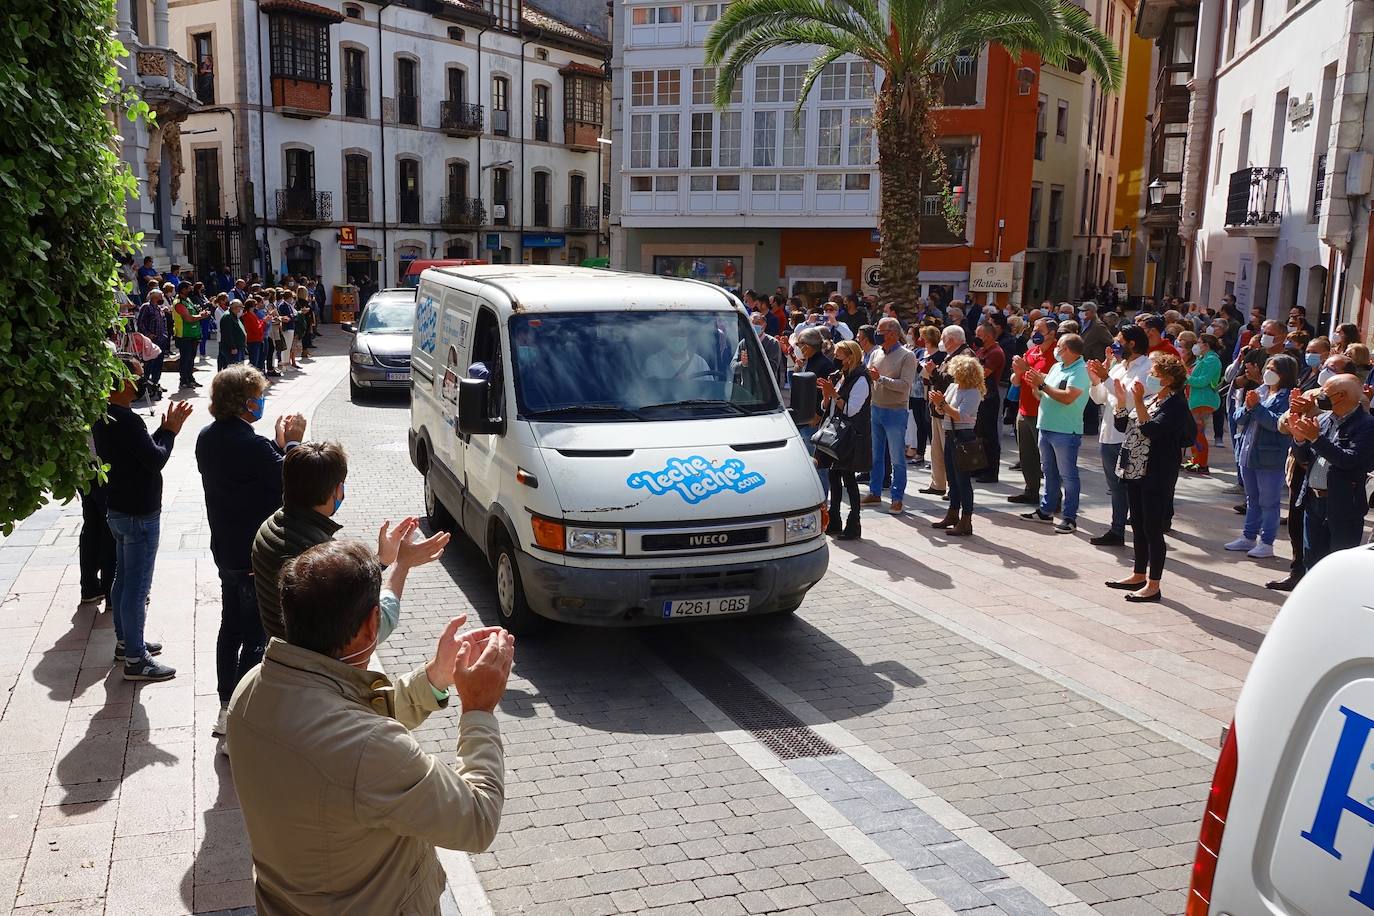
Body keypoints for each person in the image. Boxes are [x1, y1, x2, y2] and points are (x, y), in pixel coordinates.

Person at [228, 540, 512, 915]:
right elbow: (477, 819)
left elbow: (348, 719)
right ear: (371, 625)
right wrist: (478, 709)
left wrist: (434, 678)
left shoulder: (251, 689)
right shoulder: (370, 747)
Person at [196, 365, 308, 737]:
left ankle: (226, 706)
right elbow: (292, 480)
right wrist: (292, 443)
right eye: (258, 396)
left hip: (225, 549)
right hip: (253, 556)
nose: (262, 401)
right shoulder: (252, 446)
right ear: (246, 403)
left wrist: (275, 445)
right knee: (255, 636)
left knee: (230, 627)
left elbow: (255, 472)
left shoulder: (207, 438)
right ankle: (240, 719)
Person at [92, 355, 193, 681]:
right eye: (137, 376)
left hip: (119, 509)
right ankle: (136, 658)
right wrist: (170, 432)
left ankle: (126, 642)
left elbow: (138, 452)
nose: (142, 380)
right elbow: (154, 459)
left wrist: (162, 429)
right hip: (138, 514)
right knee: (136, 587)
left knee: (123, 580)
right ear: (121, 383)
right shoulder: (127, 420)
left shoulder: (107, 415)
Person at [1106, 353, 1193, 602]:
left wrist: (1138, 402)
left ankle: (1154, 584)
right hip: (1135, 469)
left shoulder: (1176, 404)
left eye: (1155, 373)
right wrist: (1122, 401)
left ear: (1168, 379)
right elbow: (1125, 425)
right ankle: (1138, 574)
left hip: (1156, 472)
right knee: (1138, 525)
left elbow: (1150, 429)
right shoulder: (1153, 397)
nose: (1150, 376)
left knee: (1153, 528)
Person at [1284, 373, 1374, 573]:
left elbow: (1349, 460)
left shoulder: (1367, 425)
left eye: (1326, 391)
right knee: (1312, 561)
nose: (1320, 395)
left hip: (1343, 505)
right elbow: (1305, 458)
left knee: (1337, 565)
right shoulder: (1323, 419)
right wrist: (1299, 439)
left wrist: (1316, 439)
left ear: (1341, 396)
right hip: (1313, 501)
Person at [1225, 354, 1297, 560]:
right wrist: (1249, 407)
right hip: (1248, 454)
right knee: (1252, 499)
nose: (1268, 372)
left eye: (1274, 369)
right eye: (1268, 367)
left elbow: (1278, 424)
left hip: (1270, 457)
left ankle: (1266, 542)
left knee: (1269, 502)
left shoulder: (1288, 397)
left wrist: (1256, 407)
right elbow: (1238, 417)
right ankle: (1248, 537)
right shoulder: (1259, 391)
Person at [1086, 325, 1152, 546]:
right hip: (1109, 432)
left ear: (1132, 343)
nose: (1115, 345)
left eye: (1119, 340)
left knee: (1132, 486)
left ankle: (1140, 530)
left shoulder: (1146, 367)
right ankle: (1117, 530)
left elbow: (1131, 399)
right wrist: (1096, 380)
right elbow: (1099, 398)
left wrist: (1105, 378)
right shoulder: (1119, 367)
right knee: (1114, 486)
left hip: (1129, 436)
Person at [1020, 334, 1090, 534]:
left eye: (1059, 346)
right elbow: (1043, 395)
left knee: (1068, 476)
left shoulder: (1080, 371)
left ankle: (1069, 518)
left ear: (1068, 349)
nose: (1055, 350)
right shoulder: (1056, 367)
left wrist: (1042, 385)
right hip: (1047, 426)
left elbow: (1068, 398)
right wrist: (1035, 385)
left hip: (1066, 430)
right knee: (1049, 472)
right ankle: (1046, 510)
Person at [861, 317, 917, 514]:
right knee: (875, 456)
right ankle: (875, 492)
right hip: (875, 407)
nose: (877, 333)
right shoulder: (876, 352)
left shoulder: (907, 356)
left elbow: (905, 386)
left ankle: (897, 498)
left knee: (897, 459)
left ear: (892, 333)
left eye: (880, 330)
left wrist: (880, 379)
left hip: (895, 411)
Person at [817, 340, 871, 540]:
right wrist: (826, 396)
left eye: (839, 356)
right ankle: (835, 519)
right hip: (835, 434)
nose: (835, 360)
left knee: (848, 479)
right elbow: (827, 407)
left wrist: (834, 394)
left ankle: (854, 521)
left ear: (850, 357)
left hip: (851, 436)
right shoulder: (841, 376)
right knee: (833, 477)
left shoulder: (861, 379)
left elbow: (851, 410)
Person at [929, 354, 986, 537]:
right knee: (952, 479)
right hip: (950, 434)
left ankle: (966, 520)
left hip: (963, 436)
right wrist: (938, 404)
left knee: (963, 481)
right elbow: (944, 410)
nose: (952, 373)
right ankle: (952, 514)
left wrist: (942, 404)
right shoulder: (954, 387)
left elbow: (960, 415)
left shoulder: (973, 392)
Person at [1008, 319, 1057, 506]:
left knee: (1046, 458)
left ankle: (1053, 497)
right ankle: (1031, 491)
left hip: (1043, 411)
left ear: (1051, 333)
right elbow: (1015, 381)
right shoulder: (1031, 351)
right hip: (1024, 408)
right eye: (1034, 329)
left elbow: (1049, 381)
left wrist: (1025, 368)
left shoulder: (1056, 354)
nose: (1034, 333)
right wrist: (1018, 371)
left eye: (1039, 330)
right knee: (1026, 454)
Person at [1184, 333, 1223, 472]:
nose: (1197, 345)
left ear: (1206, 345)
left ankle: (1202, 464)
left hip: (1203, 400)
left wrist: (1186, 376)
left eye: (1199, 342)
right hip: (1196, 400)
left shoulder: (1212, 360)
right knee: (1195, 432)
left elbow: (1202, 381)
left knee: (1198, 432)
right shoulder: (1203, 358)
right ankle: (1196, 460)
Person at [971, 321, 1004, 483]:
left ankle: (991, 472)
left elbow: (983, 373)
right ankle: (979, 468)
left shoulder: (996, 352)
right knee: (978, 434)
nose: (977, 338)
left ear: (989, 336)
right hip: (979, 395)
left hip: (989, 397)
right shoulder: (981, 350)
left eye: (980, 335)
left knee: (989, 436)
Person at [907, 325, 939, 466]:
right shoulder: (921, 352)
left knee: (929, 427)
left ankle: (936, 458)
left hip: (926, 394)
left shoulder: (938, 356)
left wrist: (917, 365)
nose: (920, 339)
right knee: (920, 425)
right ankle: (920, 453)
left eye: (923, 337)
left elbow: (930, 375)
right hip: (914, 393)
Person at [173, 285, 210, 388]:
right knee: (185, 359)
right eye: (189, 288)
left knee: (191, 358)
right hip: (184, 335)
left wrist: (201, 313)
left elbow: (194, 313)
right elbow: (188, 318)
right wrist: (201, 316)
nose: (191, 290)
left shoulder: (188, 300)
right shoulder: (178, 303)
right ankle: (183, 381)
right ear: (183, 290)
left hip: (193, 334)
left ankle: (190, 378)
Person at [135, 288, 169, 397]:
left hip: (161, 339)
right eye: (160, 296)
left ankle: (155, 383)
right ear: (154, 297)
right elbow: (140, 322)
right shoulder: (146, 307)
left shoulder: (159, 308)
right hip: (151, 341)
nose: (162, 298)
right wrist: (147, 334)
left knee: (158, 363)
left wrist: (165, 335)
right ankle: (145, 386)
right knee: (149, 363)